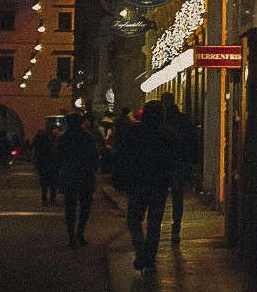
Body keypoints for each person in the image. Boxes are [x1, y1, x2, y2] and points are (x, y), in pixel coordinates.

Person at [112, 102, 179, 271]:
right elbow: (174, 160)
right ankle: (150, 257)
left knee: (134, 219)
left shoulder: (133, 132)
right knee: (154, 222)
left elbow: (123, 156)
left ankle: (140, 249)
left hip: (137, 182)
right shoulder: (167, 134)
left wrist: (121, 177)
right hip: (159, 184)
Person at [158, 93, 199, 244]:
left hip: (163, 165)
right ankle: (175, 229)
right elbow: (192, 141)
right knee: (177, 197)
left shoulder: (160, 122)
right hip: (178, 163)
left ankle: (157, 228)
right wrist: (193, 162)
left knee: (160, 198)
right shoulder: (182, 120)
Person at [56, 114, 101, 247]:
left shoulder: (63, 138)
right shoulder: (88, 137)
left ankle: (71, 236)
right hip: (85, 174)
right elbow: (94, 157)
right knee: (85, 206)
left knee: (70, 207)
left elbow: (58, 157)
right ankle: (80, 232)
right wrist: (94, 169)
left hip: (69, 174)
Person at [32, 124, 61, 204]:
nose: (57, 131)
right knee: (52, 183)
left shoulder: (44, 138)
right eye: (56, 129)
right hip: (51, 164)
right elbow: (55, 150)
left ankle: (45, 199)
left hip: (44, 164)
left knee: (45, 183)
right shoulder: (51, 139)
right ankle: (51, 199)